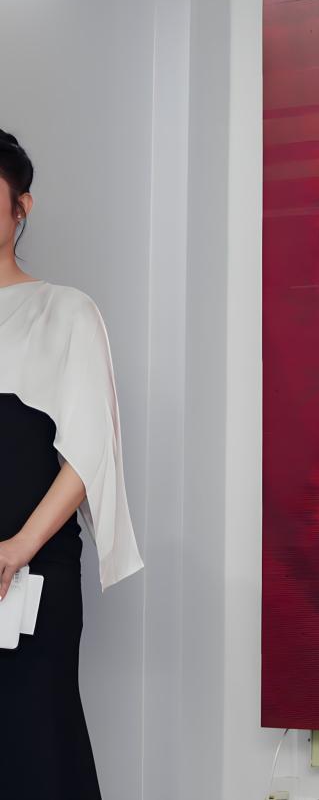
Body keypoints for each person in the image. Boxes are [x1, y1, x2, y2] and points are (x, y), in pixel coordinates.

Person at [0, 127, 143, 799]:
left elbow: (91, 453)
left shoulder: (64, 311)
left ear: (21, 207)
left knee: (36, 747)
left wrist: (16, 549)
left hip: (31, 573)